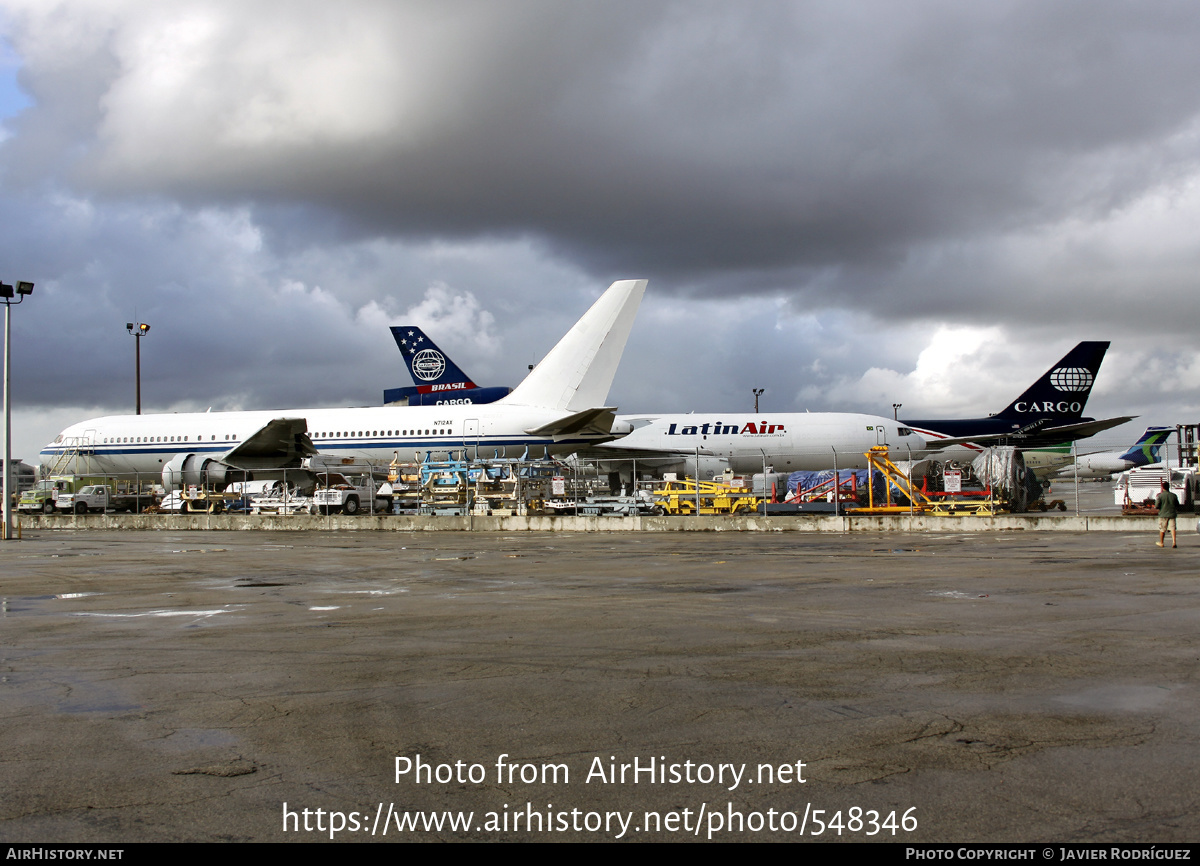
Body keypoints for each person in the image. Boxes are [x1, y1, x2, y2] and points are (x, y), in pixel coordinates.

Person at [1155, 481, 1179, 548]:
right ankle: (1174, 542)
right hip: (1172, 514)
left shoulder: (1160, 496)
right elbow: (1177, 504)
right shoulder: (1174, 495)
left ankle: (1161, 542)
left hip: (1163, 514)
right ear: (1169, 487)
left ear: (1162, 487)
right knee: (1173, 528)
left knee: (1162, 529)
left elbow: (1157, 505)